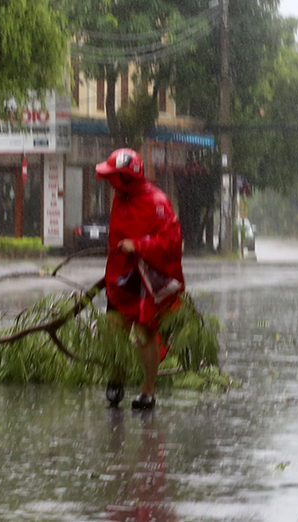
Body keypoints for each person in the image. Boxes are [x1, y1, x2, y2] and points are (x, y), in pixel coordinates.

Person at [95, 147, 185, 410]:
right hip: (120, 277)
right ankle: (116, 379)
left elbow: (172, 241)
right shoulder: (119, 198)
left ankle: (148, 390)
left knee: (145, 334)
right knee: (114, 329)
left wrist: (139, 245)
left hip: (149, 280)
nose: (110, 182)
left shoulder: (157, 203)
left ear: (128, 178)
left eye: (114, 177)